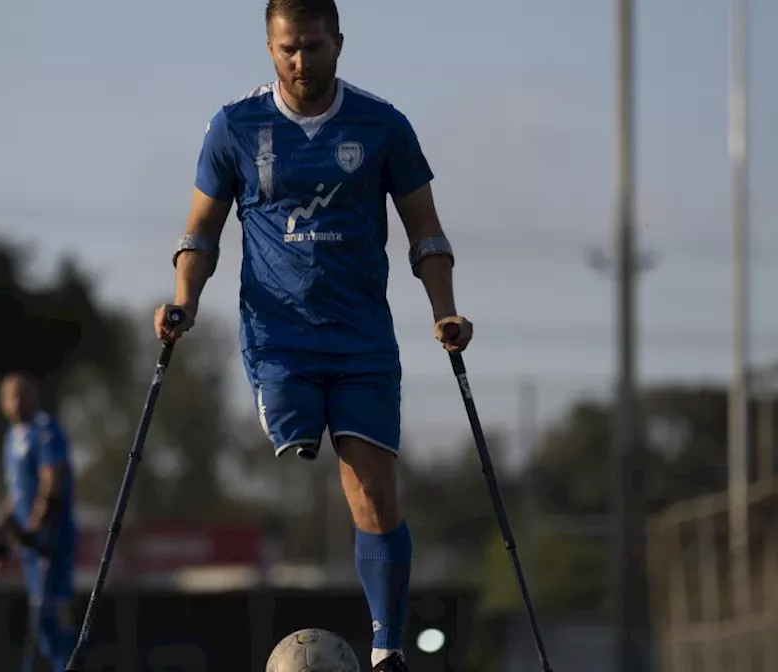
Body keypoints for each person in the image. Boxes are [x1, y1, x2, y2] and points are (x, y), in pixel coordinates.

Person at [154, 0, 474, 669]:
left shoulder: (383, 125)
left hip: (362, 337)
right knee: (296, 439)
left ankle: (388, 647)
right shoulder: (234, 126)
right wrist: (183, 299)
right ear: (269, 48)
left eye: (313, 47)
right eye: (287, 49)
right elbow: (200, 231)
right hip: (280, 335)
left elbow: (427, 231)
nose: (301, 62)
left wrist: (445, 308)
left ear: (339, 42)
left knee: (374, 488)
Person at [0, 372, 78, 670]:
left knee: (52, 610)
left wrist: (35, 526)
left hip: (51, 537)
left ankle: (67, 664)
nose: (16, 400)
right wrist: (0, 528)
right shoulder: (10, 438)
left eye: (22, 393)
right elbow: (16, 493)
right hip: (30, 544)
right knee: (39, 618)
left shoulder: (45, 430)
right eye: (10, 395)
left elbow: (52, 481)